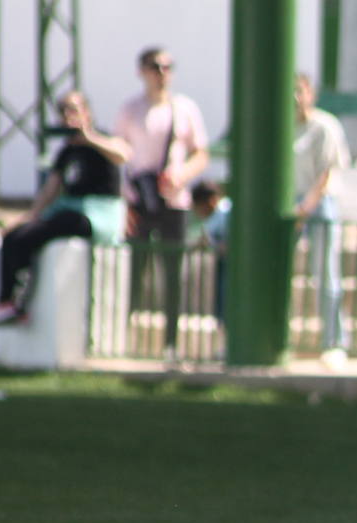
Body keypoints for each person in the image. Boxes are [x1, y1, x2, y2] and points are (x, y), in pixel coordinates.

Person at [0, 90, 127, 325]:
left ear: (87, 112)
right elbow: (50, 190)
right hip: (69, 210)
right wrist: (30, 217)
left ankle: (18, 300)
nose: (69, 116)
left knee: (61, 222)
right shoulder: (67, 151)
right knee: (17, 236)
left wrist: (89, 138)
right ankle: (7, 301)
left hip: (95, 215)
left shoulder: (103, 139)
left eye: (74, 110)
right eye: (64, 112)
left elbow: (123, 154)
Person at [115, 46, 210, 363]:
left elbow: (201, 154)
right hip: (139, 201)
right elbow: (120, 154)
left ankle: (171, 344)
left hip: (174, 201)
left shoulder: (185, 109)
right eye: (155, 66)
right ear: (142, 71)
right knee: (136, 270)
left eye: (168, 66)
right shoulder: (130, 109)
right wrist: (125, 200)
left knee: (172, 273)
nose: (162, 73)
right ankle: (126, 340)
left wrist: (181, 175)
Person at [293, 73, 352, 370]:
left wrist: (306, 206)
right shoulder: (283, 126)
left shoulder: (325, 126)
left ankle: (334, 342)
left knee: (326, 273)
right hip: (291, 204)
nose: (295, 98)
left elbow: (326, 173)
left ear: (310, 94)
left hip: (319, 204)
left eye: (300, 91)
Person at [190, 180, 230, 342]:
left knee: (227, 305)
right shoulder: (214, 218)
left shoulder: (226, 213)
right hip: (224, 267)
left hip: (233, 271)